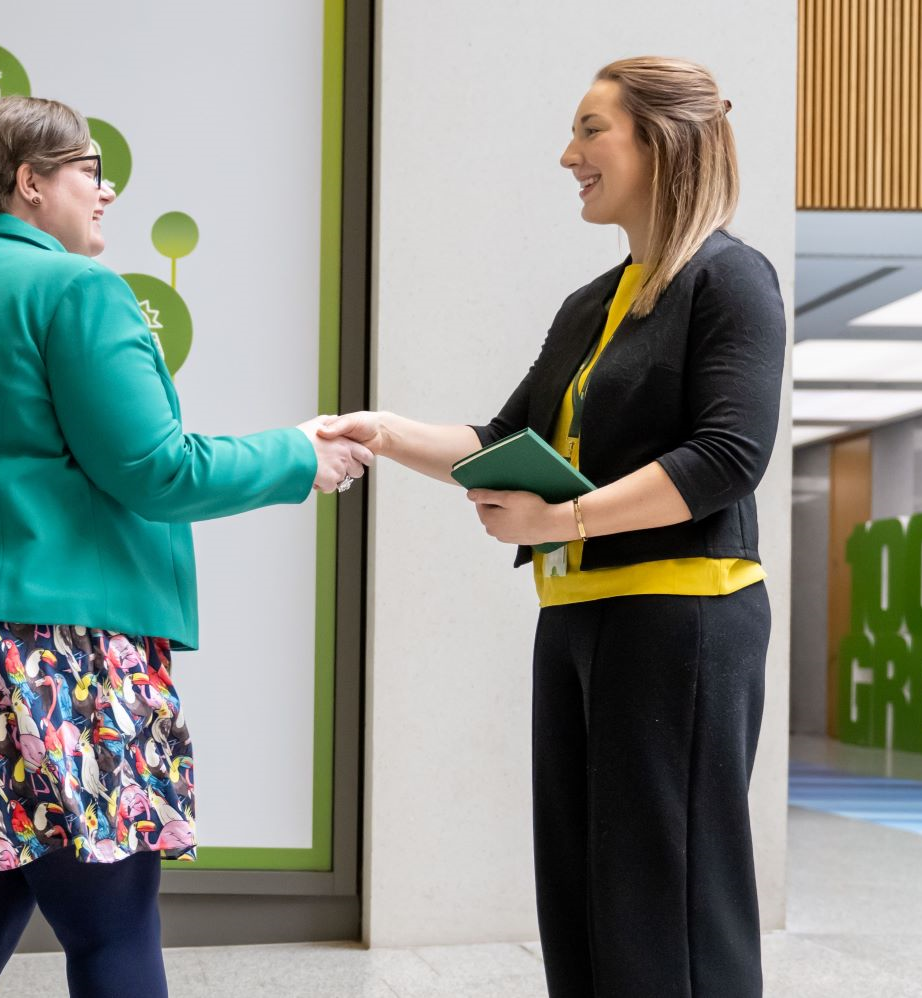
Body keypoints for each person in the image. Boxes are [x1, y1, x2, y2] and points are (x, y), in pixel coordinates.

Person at [0, 95, 370, 998]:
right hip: (48, 651)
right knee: (112, 923)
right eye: (89, 170)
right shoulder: (75, 291)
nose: (106, 190)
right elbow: (153, 468)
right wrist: (297, 455)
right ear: (28, 184)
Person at [321, 57, 785, 998]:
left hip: (682, 626)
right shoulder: (594, 305)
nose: (567, 154)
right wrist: (385, 431)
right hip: (577, 621)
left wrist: (565, 516)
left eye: (589, 130)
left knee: (671, 901)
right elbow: (505, 440)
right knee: (582, 893)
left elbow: (727, 458)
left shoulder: (733, 281)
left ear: (660, 143)